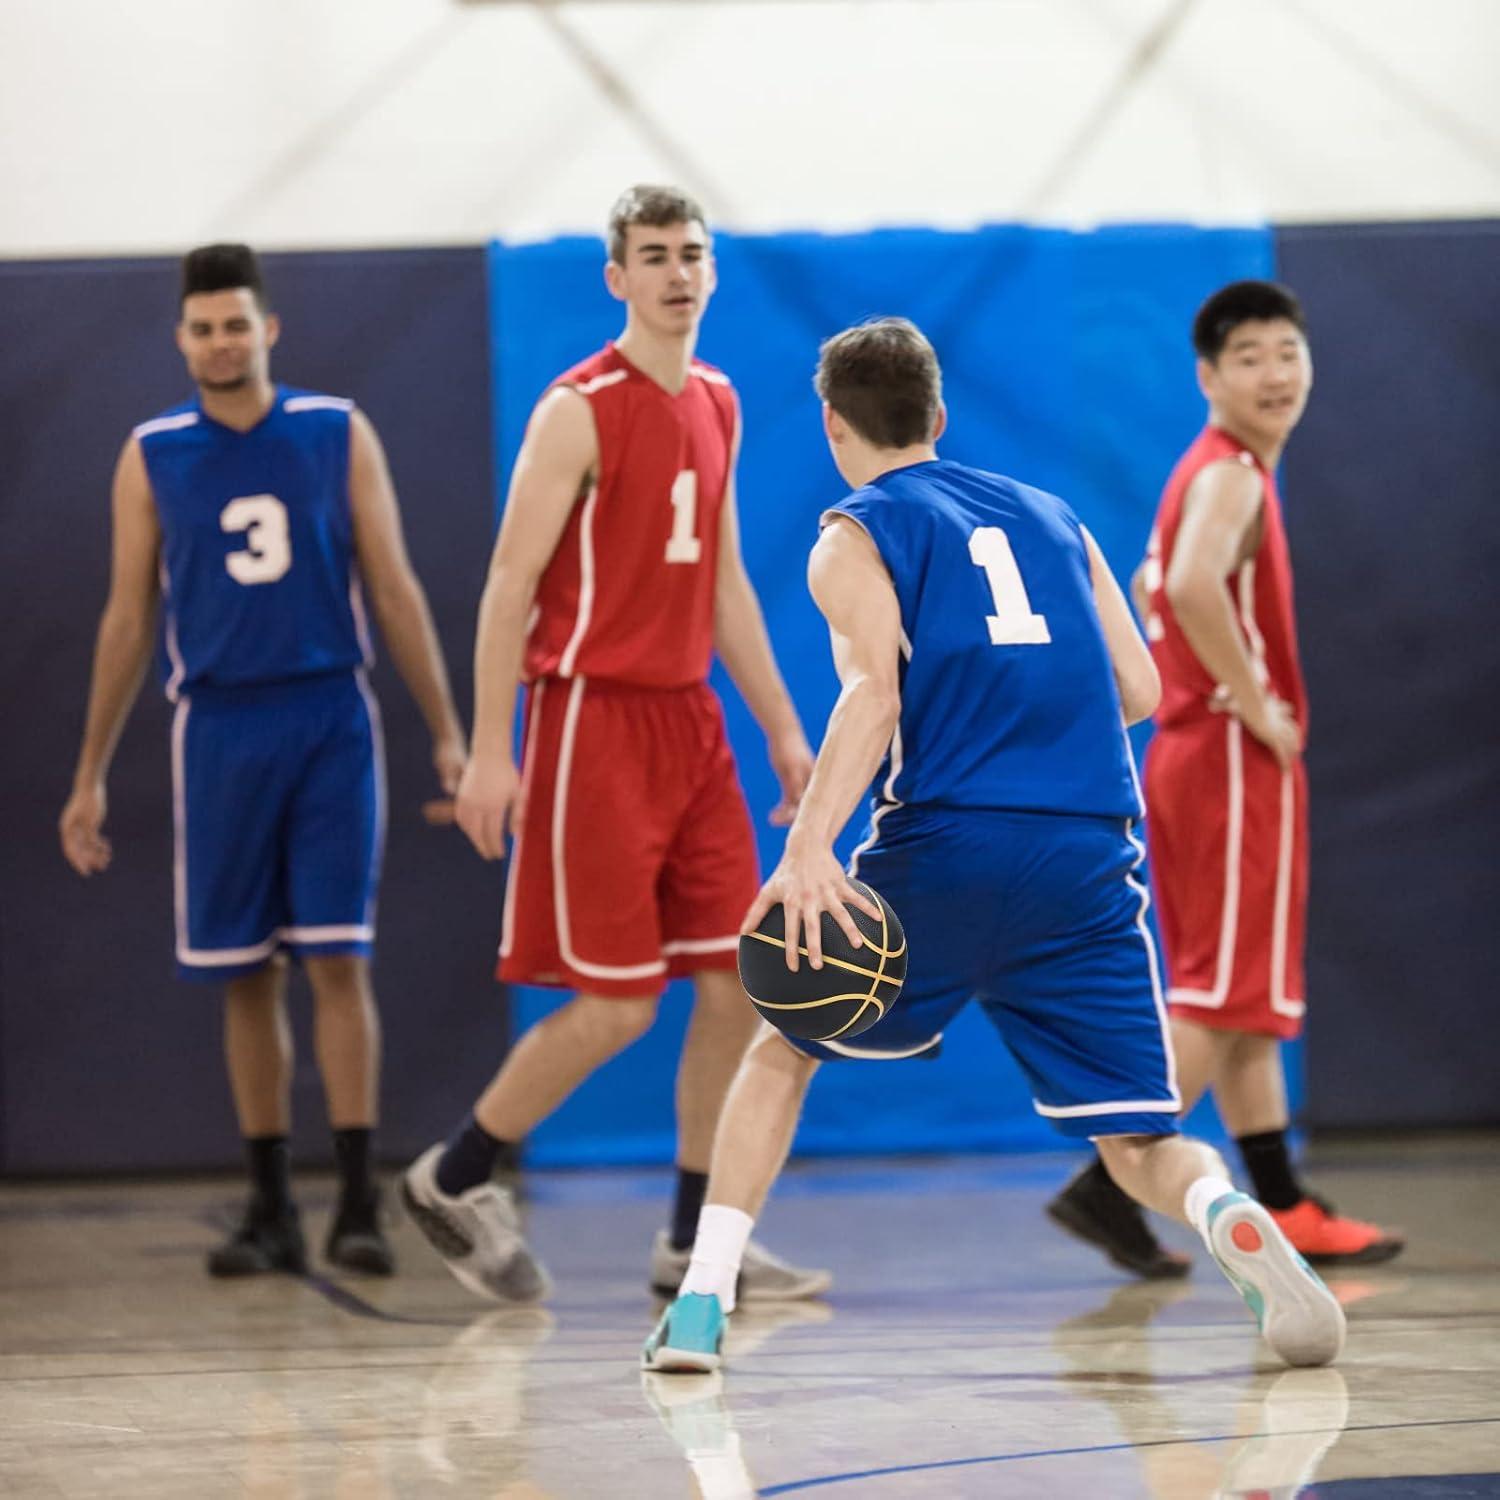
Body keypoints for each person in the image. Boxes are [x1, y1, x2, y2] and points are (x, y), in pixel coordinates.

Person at [642, 317, 1346, 1373]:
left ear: (834, 425)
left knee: (782, 1047)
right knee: (1141, 1138)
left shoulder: (854, 531)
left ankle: (699, 1303)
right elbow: (1143, 691)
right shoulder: (1055, 516)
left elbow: (873, 694)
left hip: (948, 847)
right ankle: (1220, 1208)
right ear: (938, 413)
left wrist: (808, 853)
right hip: (1086, 860)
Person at [401, 185, 828, 1303]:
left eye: (692, 254)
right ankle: (455, 1173)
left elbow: (726, 577)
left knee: (742, 983)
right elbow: (506, 586)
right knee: (618, 1004)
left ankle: (695, 1240)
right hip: (591, 718)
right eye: (654, 256)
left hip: (690, 721)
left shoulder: (721, 400)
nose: (678, 273)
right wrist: (491, 749)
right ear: (617, 277)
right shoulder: (578, 408)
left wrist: (785, 727)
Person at [58, 244, 467, 1278]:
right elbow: (125, 618)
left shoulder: (334, 431)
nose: (221, 341)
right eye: (203, 327)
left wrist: (450, 732)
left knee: (338, 959)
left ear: (268, 328)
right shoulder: (152, 453)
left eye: (237, 323)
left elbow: (397, 587)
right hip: (220, 728)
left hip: (330, 716)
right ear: (181, 338)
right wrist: (89, 773)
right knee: (243, 974)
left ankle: (359, 1200)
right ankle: (272, 1205)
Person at [1046, 282, 1403, 1277]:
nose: (1276, 372)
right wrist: (1252, 701)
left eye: (1288, 351)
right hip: (1226, 761)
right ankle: (1110, 1183)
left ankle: (1279, 1199)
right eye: (1250, 357)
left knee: (1242, 997)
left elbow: (1163, 584)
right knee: (1211, 995)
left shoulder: (1207, 471)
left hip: (1193, 760)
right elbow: (1194, 586)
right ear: (1208, 377)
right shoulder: (1234, 476)